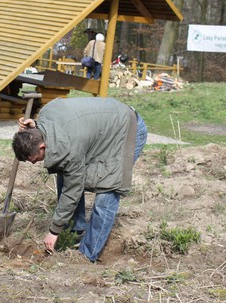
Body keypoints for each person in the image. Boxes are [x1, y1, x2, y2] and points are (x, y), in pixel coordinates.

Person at [12, 97, 148, 263]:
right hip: (103, 129)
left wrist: (53, 231)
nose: (34, 163)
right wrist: (35, 125)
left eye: (34, 159)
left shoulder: (70, 148)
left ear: (42, 146)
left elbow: (72, 190)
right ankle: (75, 233)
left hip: (126, 129)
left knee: (108, 191)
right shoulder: (45, 117)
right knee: (64, 169)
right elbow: (50, 130)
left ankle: (86, 256)